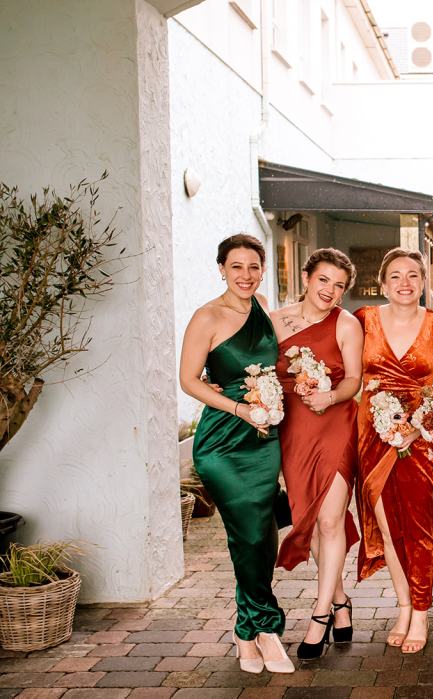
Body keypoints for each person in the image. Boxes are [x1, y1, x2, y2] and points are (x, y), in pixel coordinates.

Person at [179, 234, 294, 674]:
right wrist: (240, 408)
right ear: (221, 269)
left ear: (262, 270)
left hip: (264, 439)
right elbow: (189, 380)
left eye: (253, 267)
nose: (245, 275)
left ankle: (246, 632)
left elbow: (285, 354)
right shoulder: (206, 316)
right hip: (223, 442)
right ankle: (266, 629)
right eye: (236, 267)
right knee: (245, 534)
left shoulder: (263, 305)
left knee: (265, 535)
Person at [353, 248, 433, 654]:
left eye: (413, 275)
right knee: (386, 523)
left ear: (424, 282)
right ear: (382, 284)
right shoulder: (364, 320)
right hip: (373, 433)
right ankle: (402, 604)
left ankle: (421, 610)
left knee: (418, 523)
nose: (405, 283)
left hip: (420, 432)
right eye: (395, 276)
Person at [271, 248, 363, 660]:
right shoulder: (275, 320)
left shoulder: (346, 324)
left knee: (329, 519)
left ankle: (321, 613)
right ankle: (341, 602)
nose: (330, 290)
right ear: (306, 277)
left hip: (336, 424)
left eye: (339, 285)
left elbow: (354, 381)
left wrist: (330, 396)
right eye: (324, 280)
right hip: (293, 429)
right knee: (309, 514)